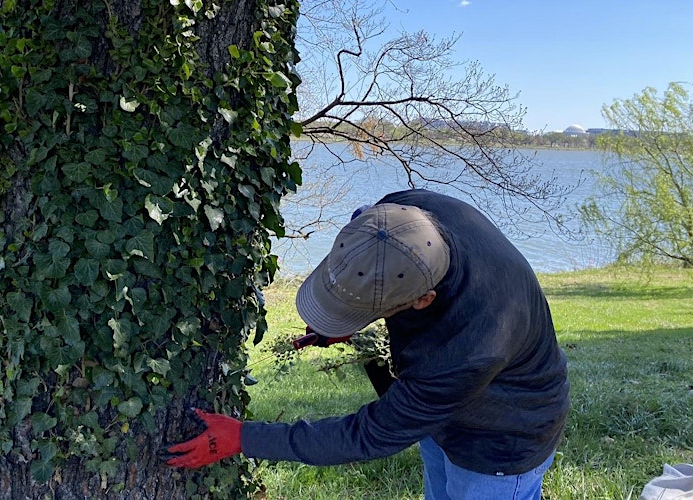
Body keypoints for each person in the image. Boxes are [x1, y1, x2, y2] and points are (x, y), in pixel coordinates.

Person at [166, 189, 570, 500]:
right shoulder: (401, 215)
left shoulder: (470, 349)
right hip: (445, 419)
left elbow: (371, 434)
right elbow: (373, 266)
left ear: (423, 300)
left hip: (501, 441)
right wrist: (345, 316)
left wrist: (246, 437)